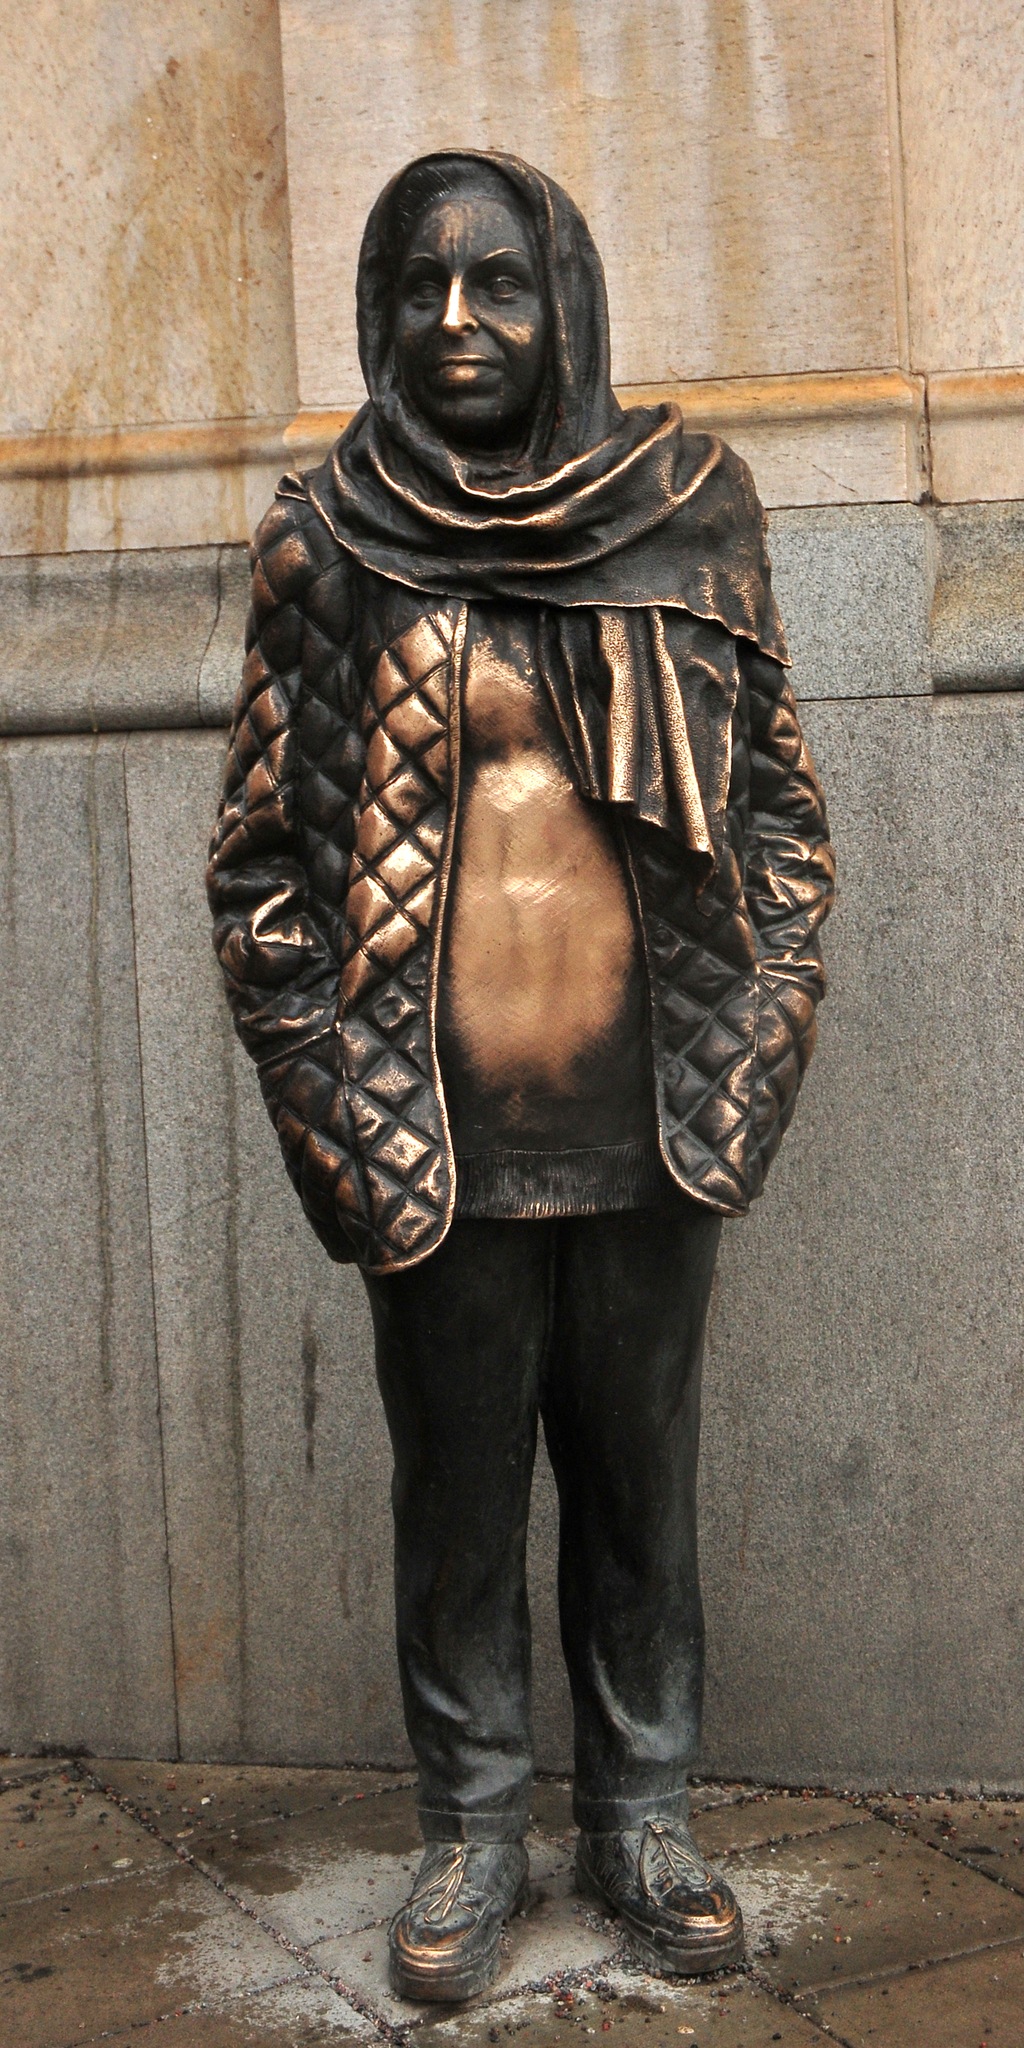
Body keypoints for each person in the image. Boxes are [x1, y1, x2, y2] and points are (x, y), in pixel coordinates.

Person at [207, 149, 834, 2002]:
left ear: (568, 303)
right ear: (381, 313)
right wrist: (322, 1092)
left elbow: (780, 813)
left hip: (656, 1107)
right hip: (430, 1125)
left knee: (641, 1485)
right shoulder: (329, 537)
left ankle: (642, 1816)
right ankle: (472, 1829)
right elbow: (262, 863)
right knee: (459, 1499)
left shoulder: (690, 510)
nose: (459, 320)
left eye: (499, 283)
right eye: (422, 286)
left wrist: (769, 1023)